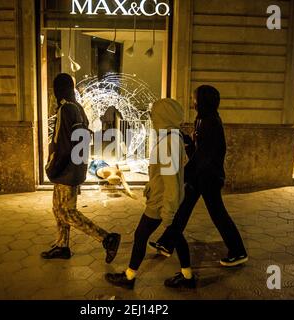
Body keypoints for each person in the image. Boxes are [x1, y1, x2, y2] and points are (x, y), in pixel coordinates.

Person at [149, 85, 248, 274]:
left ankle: (238, 251)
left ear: (203, 101)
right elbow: (198, 151)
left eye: (195, 99)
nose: (192, 102)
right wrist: (188, 143)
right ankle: (167, 243)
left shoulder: (212, 122)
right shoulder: (201, 119)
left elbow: (206, 156)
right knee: (183, 208)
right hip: (200, 175)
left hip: (209, 177)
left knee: (218, 214)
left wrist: (185, 172)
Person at [105, 98, 191, 289]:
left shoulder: (168, 142)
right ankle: (187, 275)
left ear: (164, 116)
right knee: (176, 235)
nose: (152, 118)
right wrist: (152, 185)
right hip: (164, 198)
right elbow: (170, 173)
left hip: (161, 202)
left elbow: (171, 182)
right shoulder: (174, 137)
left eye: (155, 114)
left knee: (141, 235)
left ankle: (129, 277)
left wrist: (168, 210)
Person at [41, 73, 121, 263]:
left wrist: (53, 167)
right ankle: (62, 245)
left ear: (57, 89)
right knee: (58, 208)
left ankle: (107, 238)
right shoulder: (78, 108)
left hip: (65, 170)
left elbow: (62, 144)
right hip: (74, 167)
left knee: (68, 212)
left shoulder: (66, 109)